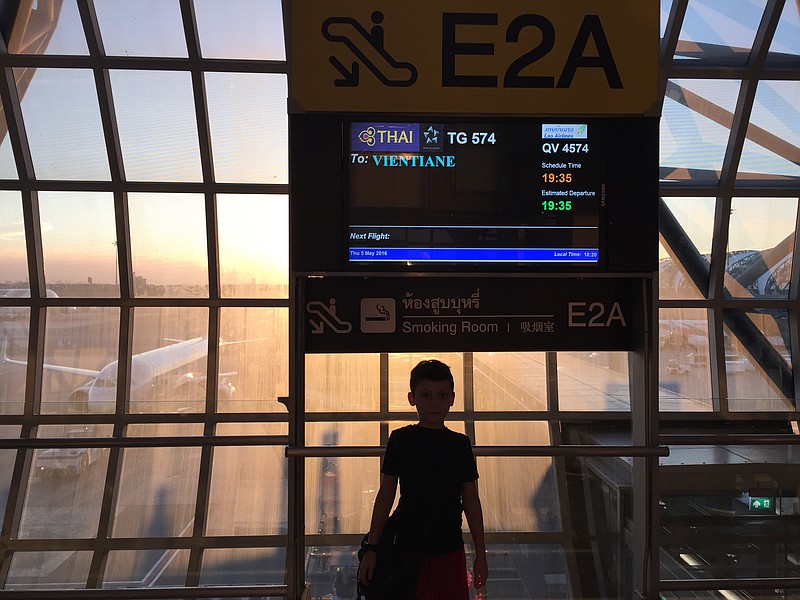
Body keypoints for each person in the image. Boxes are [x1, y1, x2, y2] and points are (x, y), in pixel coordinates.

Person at [357, 359, 488, 599]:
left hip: (437, 550)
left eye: (441, 395)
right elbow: (385, 496)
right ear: (412, 398)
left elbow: (471, 500)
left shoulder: (457, 445)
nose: (434, 402)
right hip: (413, 553)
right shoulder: (404, 441)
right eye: (426, 395)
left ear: (452, 398)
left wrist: (481, 553)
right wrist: (372, 549)